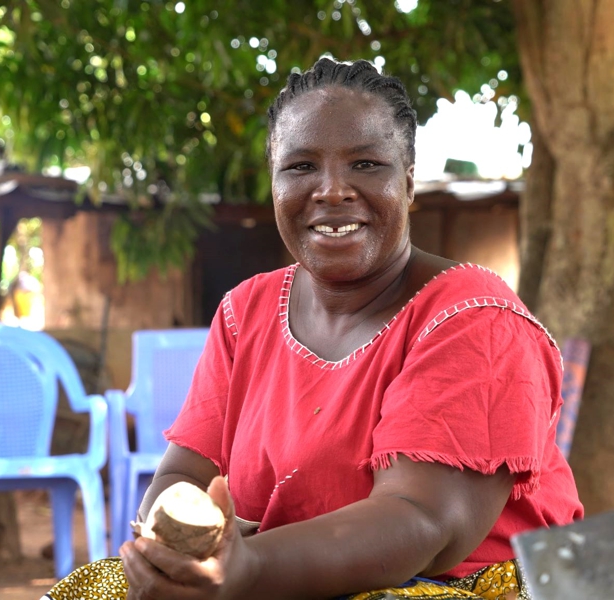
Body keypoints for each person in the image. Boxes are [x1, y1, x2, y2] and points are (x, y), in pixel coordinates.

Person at [45, 57, 582, 600]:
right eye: (301, 167)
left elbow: (424, 521)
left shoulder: (474, 319)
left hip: (472, 586)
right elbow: (182, 473)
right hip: (279, 574)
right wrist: (181, 554)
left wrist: (248, 568)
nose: (332, 190)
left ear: (410, 182)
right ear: (275, 184)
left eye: (367, 164)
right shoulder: (246, 310)